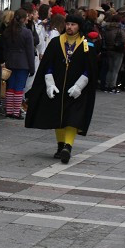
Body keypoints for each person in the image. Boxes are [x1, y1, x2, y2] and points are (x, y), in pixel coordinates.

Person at [25, 13, 98, 163]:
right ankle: (60, 146)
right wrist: (50, 83)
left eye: (73, 24)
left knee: (73, 118)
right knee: (58, 117)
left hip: (77, 90)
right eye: (68, 24)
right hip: (58, 86)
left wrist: (80, 85)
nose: (70, 27)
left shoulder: (87, 44)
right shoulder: (56, 42)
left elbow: (89, 69)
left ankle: (68, 147)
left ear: (79, 27)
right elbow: (48, 64)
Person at [1, 7, 35, 118]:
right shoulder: (27, 32)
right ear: (24, 19)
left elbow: (4, 48)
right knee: (19, 88)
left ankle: (9, 110)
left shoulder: (7, 31)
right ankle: (16, 111)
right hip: (23, 63)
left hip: (10, 62)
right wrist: (32, 68)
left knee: (10, 87)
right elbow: (30, 51)